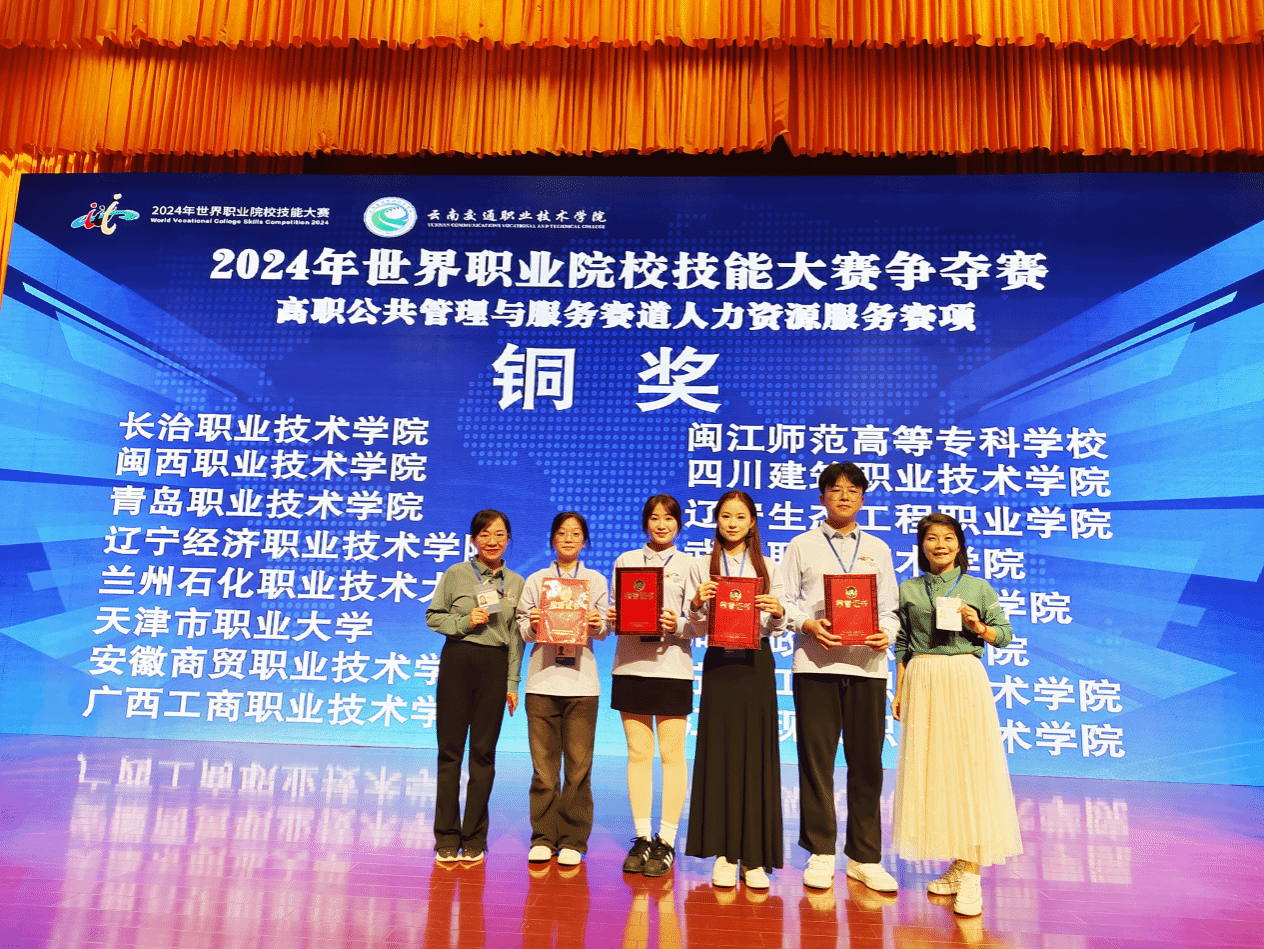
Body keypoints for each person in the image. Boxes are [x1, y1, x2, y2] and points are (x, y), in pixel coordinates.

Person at [892, 512, 1023, 916]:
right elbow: (902, 642)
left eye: (948, 538)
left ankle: (971, 876)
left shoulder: (977, 587)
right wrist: (900, 688)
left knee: (970, 770)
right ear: (922, 545)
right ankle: (958, 863)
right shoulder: (909, 588)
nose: (940, 545)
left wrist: (977, 625)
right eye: (931, 538)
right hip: (923, 678)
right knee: (937, 773)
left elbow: (1004, 635)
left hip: (964, 676)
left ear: (960, 545)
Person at [781, 462, 899, 892]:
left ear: (862, 499)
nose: (844, 496)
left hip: (868, 668)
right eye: (835, 489)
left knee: (867, 763)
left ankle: (865, 857)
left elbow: (890, 608)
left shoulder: (878, 549)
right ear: (822, 497)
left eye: (853, 490)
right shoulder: (801, 545)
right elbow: (783, 602)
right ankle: (820, 852)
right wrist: (807, 625)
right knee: (817, 762)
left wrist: (888, 633)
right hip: (815, 666)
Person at [684, 490, 786, 889]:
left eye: (740, 517)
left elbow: (778, 626)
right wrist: (696, 603)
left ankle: (753, 857)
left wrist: (777, 613)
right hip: (719, 664)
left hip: (756, 663)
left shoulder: (769, 566)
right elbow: (693, 627)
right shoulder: (700, 566)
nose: (732, 523)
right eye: (726, 516)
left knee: (756, 754)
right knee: (720, 752)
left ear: (752, 523)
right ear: (717, 520)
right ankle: (725, 853)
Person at [426, 509, 525, 866]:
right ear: (473, 540)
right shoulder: (456, 573)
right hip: (458, 660)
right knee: (450, 751)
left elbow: (516, 638)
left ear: (508, 540)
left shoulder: (516, 582)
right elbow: (433, 616)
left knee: (483, 754)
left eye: (499, 535)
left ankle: (474, 838)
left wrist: (512, 682)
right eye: (485, 534)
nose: (492, 541)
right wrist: (464, 621)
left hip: (495, 667)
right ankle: (446, 837)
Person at [607, 495, 695, 878]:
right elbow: (612, 614)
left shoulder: (690, 564)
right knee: (639, 753)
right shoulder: (626, 561)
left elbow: (700, 623)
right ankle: (643, 837)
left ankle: (668, 840)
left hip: (673, 668)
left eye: (669, 518)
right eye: (655, 518)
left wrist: (677, 624)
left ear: (678, 524)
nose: (661, 525)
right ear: (645, 522)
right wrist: (612, 617)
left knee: (672, 754)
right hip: (631, 666)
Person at [517, 511, 610, 866]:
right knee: (543, 769)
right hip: (542, 681)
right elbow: (522, 629)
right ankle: (543, 837)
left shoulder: (595, 580)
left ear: (584, 541)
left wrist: (598, 623)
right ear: (552, 539)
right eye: (562, 533)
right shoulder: (536, 580)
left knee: (578, 768)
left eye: (575, 533)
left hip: (582, 684)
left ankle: (573, 840)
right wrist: (533, 623)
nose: (568, 539)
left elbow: (604, 631)